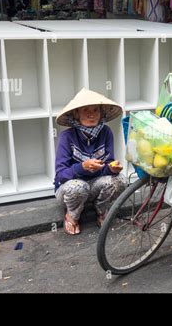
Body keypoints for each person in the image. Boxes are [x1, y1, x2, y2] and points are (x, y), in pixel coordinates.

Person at [54, 89, 127, 235]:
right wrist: (82, 167)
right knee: (78, 187)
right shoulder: (66, 136)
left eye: (95, 110)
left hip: (94, 185)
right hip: (69, 188)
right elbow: (61, 175)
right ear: (76, 114)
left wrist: (111, 169)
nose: (91, 114)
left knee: (120, 180)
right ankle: (72, 215)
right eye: (85, 110)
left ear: (101, 114)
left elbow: (107, 165)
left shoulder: (106, 132)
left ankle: (101, 210)